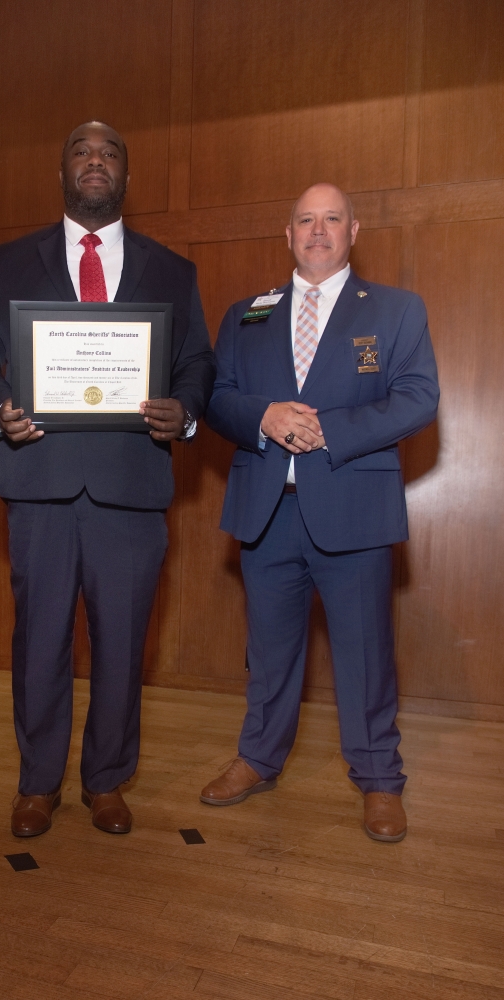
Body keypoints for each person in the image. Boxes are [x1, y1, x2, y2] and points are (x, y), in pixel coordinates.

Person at [0, 121, 215, 838]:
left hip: (131, 485)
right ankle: (37, 783)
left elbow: (197, 361)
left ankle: (106, 780)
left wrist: (186, 410)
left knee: (123, 644)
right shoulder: (8, 262)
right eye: (81, 151)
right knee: (40, 642)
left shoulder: (173, 270)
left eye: (110, 153)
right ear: (63, 171)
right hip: (40, 480)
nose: (95, 161)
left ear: (126, 175)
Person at [201, 183, 439, 842]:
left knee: (365, 652)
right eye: (305, 220)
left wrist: (326, 429)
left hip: (354, 510)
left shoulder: (396, 310)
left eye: (332, 218)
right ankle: (258, 758)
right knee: (269, 651)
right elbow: (217, 397)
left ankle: (379, 777)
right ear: (288, 235)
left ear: (353, 231)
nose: (318, 230)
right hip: (266, 511)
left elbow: (418, 398)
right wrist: (265, 416)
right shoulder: (246, 315)